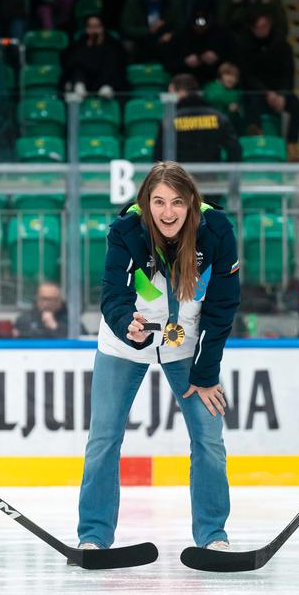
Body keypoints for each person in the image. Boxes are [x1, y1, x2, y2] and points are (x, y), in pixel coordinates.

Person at [76, 161, 240, 553]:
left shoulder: (216, 231)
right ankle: (93, 537)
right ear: (145, 203)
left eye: (178, 203)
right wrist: (124, 325)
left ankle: (213, 536)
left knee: (209, 439)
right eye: (159, 202)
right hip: (126, 338)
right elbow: (112, 293)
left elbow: (223, 307)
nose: (168, 213)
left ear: (192, 204)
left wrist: (206, 371)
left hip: (188, 344)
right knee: (103, 438)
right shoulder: (126, 232)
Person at [234, 11, 299, 161]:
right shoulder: (244, 44)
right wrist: (266, 93)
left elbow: (288, 71)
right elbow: (247, 75)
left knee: (297, 107)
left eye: (265, 26)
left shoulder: (281, 43)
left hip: (279, 91)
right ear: (252, 28)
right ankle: (255, 144)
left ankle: (291, 145)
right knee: (249, 105)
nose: (263, 29)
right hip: (255, 92)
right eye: (259, 27)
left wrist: (281, 93)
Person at [154, 73, 242, 163]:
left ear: (181, 92)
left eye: (172, 93)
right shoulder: (218, 117)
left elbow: (158, 156)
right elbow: (234, 149)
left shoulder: (169, 120)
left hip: (181, 175)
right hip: (211, 174)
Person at [62, 13, 127, 98]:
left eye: (97, 26)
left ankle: (107, 86)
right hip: (85, 81)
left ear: (102, 27)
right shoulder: (81, 43)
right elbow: (68, 61)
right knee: (76, 63)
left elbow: (120, 64)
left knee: (111, 57)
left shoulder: (112, 44)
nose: (94, 30)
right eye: (90, 27)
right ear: (86, 29)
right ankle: (78, 85)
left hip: (106, 81)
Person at [13, 280, 81, 339]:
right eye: (44, 299)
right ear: (37, 299)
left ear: (60, 301)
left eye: (52, 300)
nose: (47, 303)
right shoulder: (25, 319)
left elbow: (83, 339)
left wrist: (55, 327)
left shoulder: (71, 320)